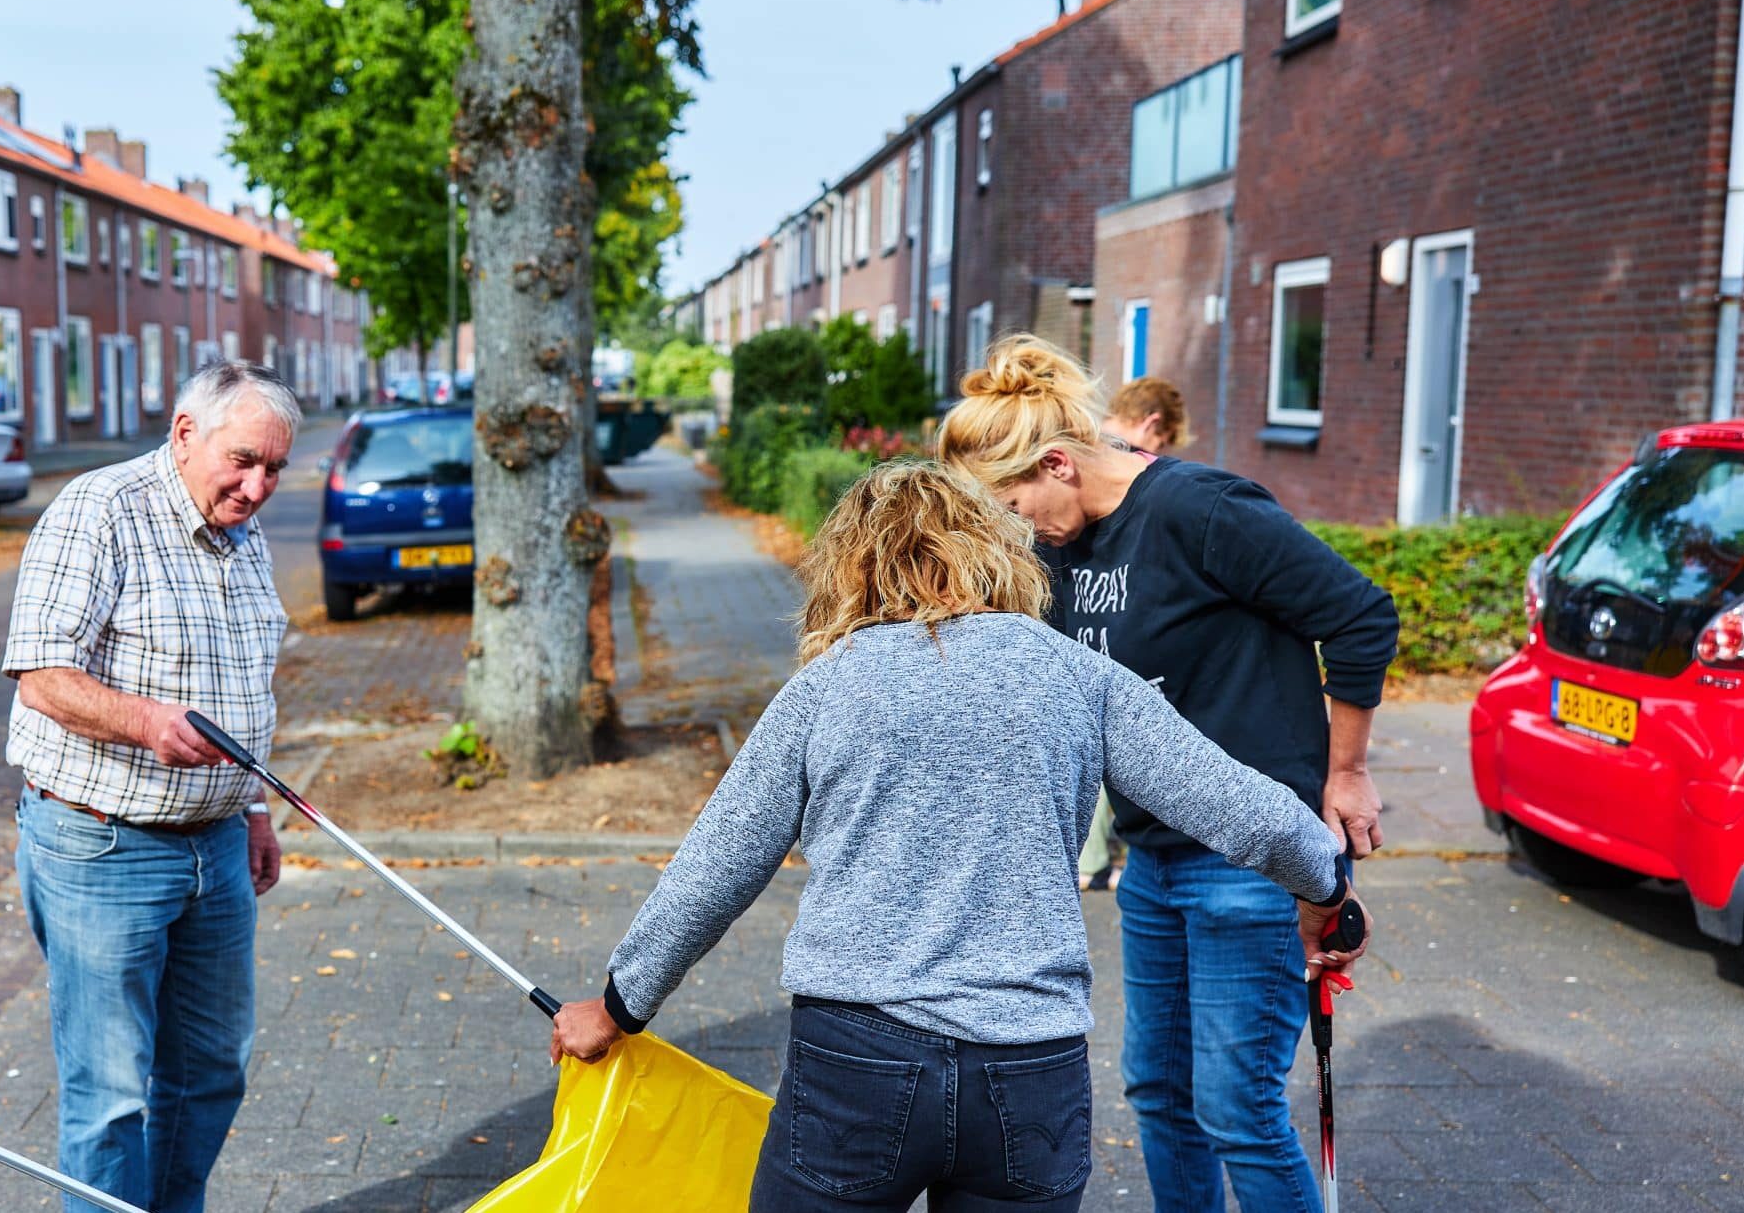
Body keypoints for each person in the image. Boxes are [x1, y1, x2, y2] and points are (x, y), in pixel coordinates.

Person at [547, 462, 1368, 1212]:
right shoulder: (1074, 674)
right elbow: (1245, 808)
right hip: (1029, 1071)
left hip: (855, 1063)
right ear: (992, 549)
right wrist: (1327, 895)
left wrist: (619, 1006)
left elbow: (715, 870)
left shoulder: (824, 688)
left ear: (850, 566)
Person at [938, 336, 1399, 1213]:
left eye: (1010, 503)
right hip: (1149, 864)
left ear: (1058, 464)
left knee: (1237, 1108)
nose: (1012, 529)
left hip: (1248, 863)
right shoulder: (1058, 549)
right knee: (1159, 1093)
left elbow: (1359, 617)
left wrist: (1345, 775)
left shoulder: (1199, 512)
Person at [0, 361, 298, 1213]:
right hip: (102, 846)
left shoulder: (244, 534)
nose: (255, 487)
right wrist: (145, 722)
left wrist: (252, 809)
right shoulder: (100, 511)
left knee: (208, 1074)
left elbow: (244, 688)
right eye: (242, 460)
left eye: (273, 469)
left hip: (215, 848)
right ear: (183, 432)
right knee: (111, 1099)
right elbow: (40, 675)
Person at [1081, 375, 1194, 891]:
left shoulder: (1078, 446)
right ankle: (1092, 864)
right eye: (1165, 442)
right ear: (1154, 425)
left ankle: (1088, 862)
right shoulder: (1146, 474)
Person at [1102, 375, 1191, 454]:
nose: (1156, 454)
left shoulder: (1090, 443)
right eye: (1160, 445)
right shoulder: (1125, 466)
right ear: (1151, 423)